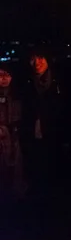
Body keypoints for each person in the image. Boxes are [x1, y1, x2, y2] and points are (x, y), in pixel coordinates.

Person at [20, 48, 63, 198]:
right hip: (34, 136)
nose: (36, 63)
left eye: (40, 58)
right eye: (33, 59)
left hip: (55, 135)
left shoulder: (59, 81)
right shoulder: (27, 82)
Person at [0, 64, 24, 197]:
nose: (3, 78)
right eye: (0, 75)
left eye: (7, 75)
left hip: (14, 141)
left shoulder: (17, 95)